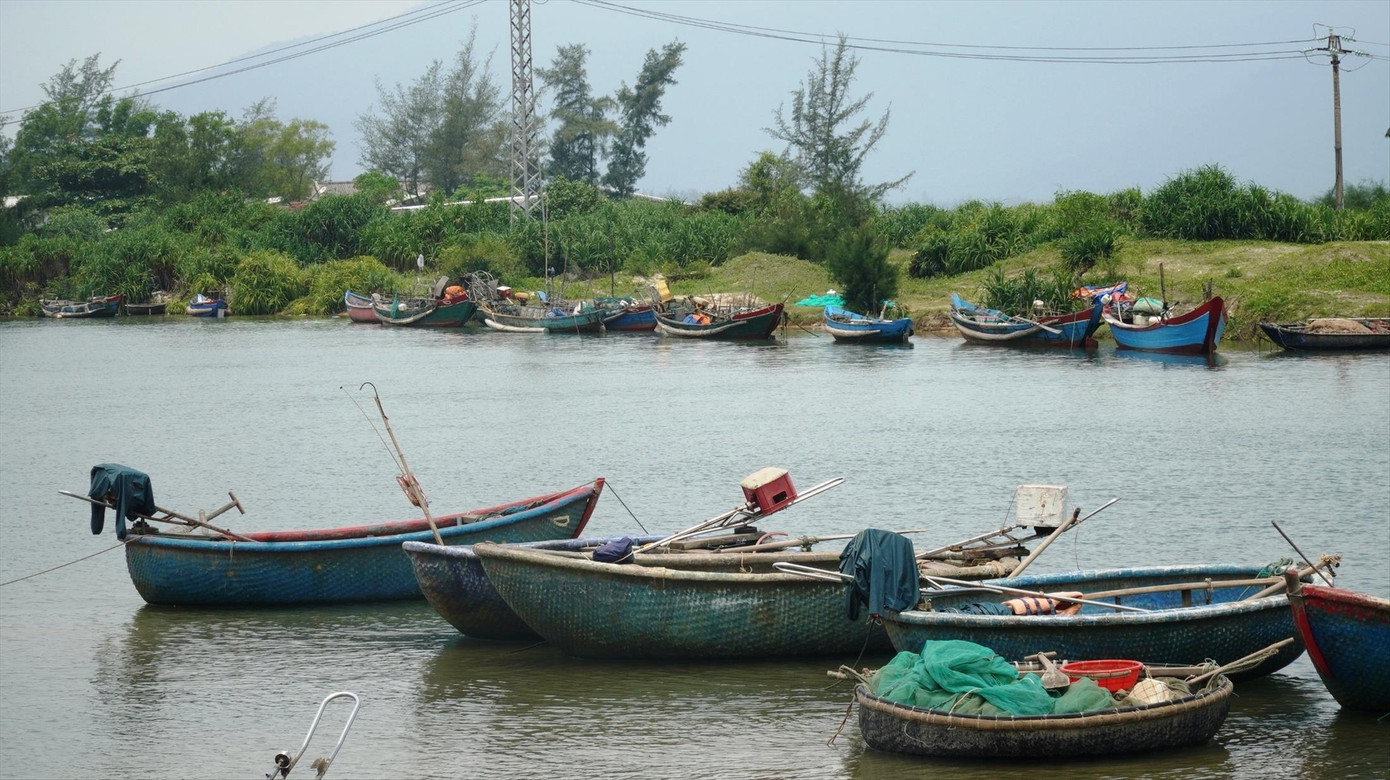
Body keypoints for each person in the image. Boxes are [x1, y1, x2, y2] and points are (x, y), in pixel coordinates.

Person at [941, 591, 1085, 616]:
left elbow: (1079, 597)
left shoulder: (1060, 614)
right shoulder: (1047, 603)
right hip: (993, 610)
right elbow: (1079, 595)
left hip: (991, 611)